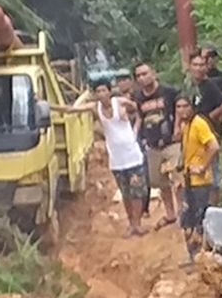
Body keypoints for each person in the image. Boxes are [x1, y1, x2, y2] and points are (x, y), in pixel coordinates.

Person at [54, 80, 148, 237]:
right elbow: (70, 110)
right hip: (116, 158)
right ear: (95, 94)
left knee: (137, 191)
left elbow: (138, 111)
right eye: (98, 91)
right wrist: (49, 106)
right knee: (126, 193)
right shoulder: (95, 108)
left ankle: (137, 224)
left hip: (132, 154)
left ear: (110, 91)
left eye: (104, 90)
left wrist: (135, 129)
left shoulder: (121, 103)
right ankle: (131, 223)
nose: (101, 94)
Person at [186, 50, 222, 204]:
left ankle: (213, 206)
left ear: (207, 67)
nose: (198, 68)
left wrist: (212, 116)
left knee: (212, 173)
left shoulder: (210, 85)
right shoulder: (191, 86)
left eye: (201, 65)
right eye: (195, 65)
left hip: (210, 133)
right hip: (193, 135)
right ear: (189, 67)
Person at [132, 63, 181, 227]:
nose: (142, 78)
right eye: (138, 75)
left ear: (153, 73)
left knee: (177, 177)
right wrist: (134, 135)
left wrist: (177, 128)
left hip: (171, 142)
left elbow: (180, 109)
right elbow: (139, 117)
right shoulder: (138, 97)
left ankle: (182, 212)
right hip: (152, 145)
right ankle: (170, 214)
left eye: (144, 73)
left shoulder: (168, 91)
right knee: (158, 181)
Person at [175, 94, 219, 258]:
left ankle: (200, 258)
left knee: (199, 221)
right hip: (189, 180)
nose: (182, 110)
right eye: (178, 107)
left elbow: (213, 146)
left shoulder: (199, 124)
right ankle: (193, 258)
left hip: (200, 182)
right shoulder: (187, 125)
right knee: (187, 222)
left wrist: (202, 167)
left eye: (185, 106)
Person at [116, 72, 151, 218]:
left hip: (141, 139)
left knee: (144, 175)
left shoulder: (138, 96)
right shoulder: (115, 100)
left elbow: (140, 116)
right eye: (120, 80)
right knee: (127, 180)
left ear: (131, 81)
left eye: (125, 79)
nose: (123, 82)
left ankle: (145, 206)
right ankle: (134, 212)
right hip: (123, 145)